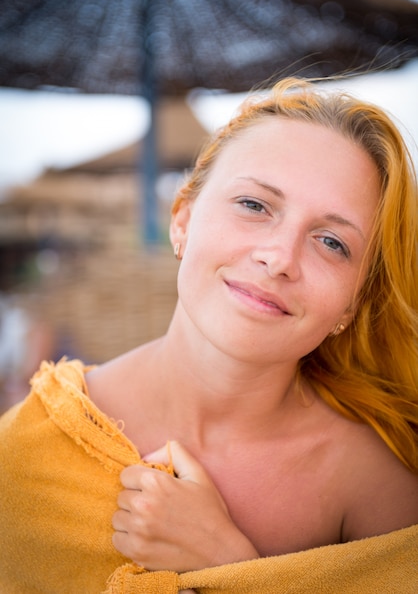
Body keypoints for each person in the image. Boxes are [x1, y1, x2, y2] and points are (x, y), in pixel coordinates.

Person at [0, 77, 417, 593]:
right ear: (183, 219)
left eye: (331, 241)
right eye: (254, 205)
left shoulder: (377, 491)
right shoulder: (28, 450)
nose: (279, 257)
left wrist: (227, 560)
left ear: (353, 303)